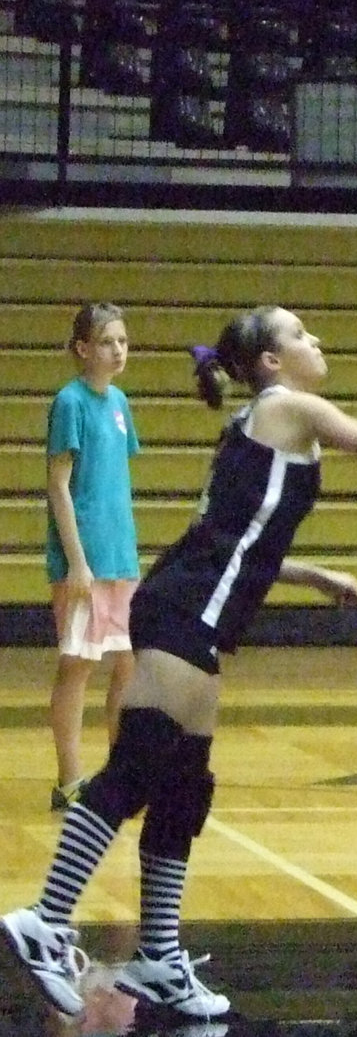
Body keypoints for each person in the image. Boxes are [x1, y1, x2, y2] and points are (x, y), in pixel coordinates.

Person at [3, 305, 357, 1021]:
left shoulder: (256, 424)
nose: (315, 340)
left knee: (183, 786)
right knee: (139, 765)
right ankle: (46, 920)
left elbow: (235, 539)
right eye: (298, 334)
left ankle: (159, 957)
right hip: (186, 610)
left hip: (188, 607)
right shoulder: (291, 407)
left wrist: (313, 576)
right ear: (270, 361)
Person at [45, 304, 140, 814]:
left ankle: (120, 775)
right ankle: (69, 781)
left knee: (128, 663)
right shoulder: (69, 402)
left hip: (120, 556)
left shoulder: (120, 402)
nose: (117, 350)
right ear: (83, 348)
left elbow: (114, 481)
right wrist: (77, 562)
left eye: (122, 341)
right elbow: (59, 486)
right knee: (78, 665)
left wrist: (127, 553)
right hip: (84, 560)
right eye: (106, 341)